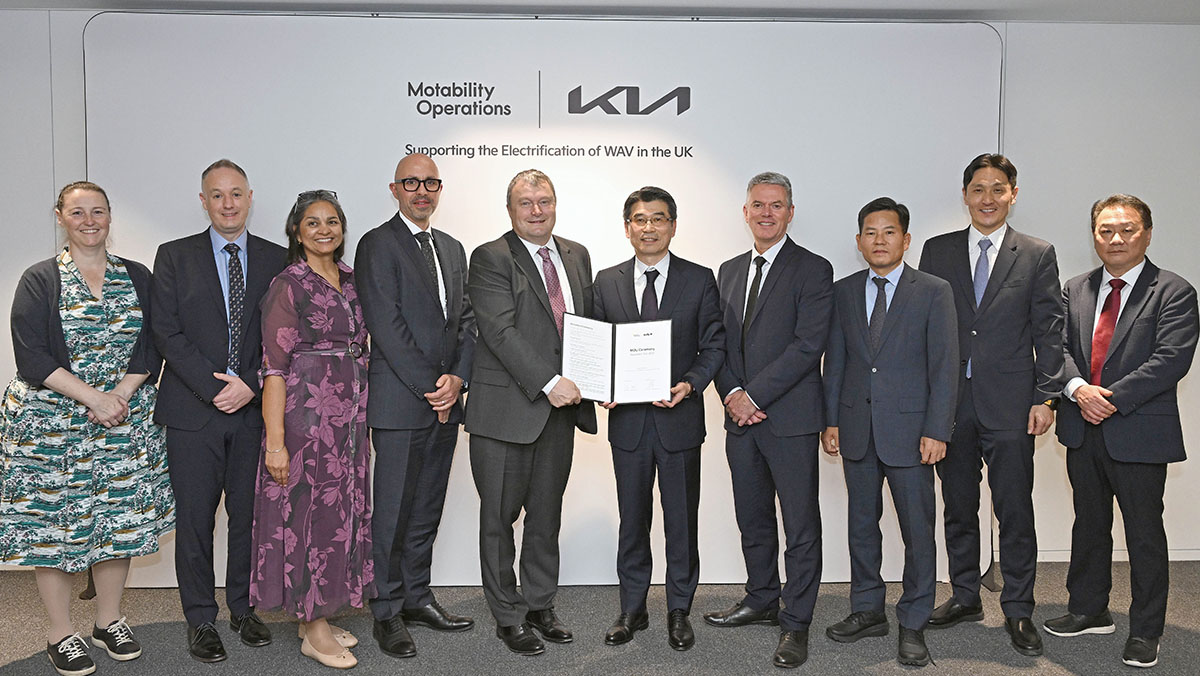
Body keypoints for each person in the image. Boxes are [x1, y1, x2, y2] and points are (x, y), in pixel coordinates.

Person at [1, 181, 175, 676]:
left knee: (120, 524)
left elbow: (153, 343)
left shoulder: (137, 276)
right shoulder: (40, 279)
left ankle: (108, 621)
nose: (89, 221)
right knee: (52, 529)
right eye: (78, 212)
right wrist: (94, 398)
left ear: (110, 216)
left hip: (124, 419)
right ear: (60, 216)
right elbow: (32, 356)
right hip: (52, 426)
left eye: (98, 211)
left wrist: (119, 394)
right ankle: (60, 632)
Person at [917, 154, 1064, 657]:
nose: (987, 198)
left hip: (1011, 405)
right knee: (958, 507)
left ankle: (1019, 609)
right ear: (964, 195)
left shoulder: (1037, 253)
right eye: (978, 189)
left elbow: (1049, 330)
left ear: (1012, 194)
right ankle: (965, 595)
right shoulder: (938, 251)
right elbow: (925, 329)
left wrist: (1046, 397)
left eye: (997, 188)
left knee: (1014, 510)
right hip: (951, 405)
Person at [1044, 194, 1197, 669]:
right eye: (1105, 230)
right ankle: (1089, 609)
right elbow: (1056, 348)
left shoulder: (1173, 291)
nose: (1115, 238)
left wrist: (1104, 399)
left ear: (1146, 234)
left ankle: (1147, 630)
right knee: (1089, 523)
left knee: (1144, 533)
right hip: (1082, 428)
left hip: (1138, 430)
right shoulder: (1075, 288)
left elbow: (1170, 360)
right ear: (1094, 236)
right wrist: (1077, 390)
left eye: (1127, 229)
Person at [151, 159, 287, 663]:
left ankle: (243, 609)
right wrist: (215, 389)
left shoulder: (278, 258)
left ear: (250, 198)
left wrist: (250, 384)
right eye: (217, 195)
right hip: (192, 412)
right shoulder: (174, 256)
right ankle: (200, 618)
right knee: (195, 520)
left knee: (249, 518)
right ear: (203, 201)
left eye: (236, 194)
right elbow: (166, 331)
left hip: (253, 411)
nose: (227, 204)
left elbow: (284, 335)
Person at [820, 197, 958, 667]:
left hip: (913, 433)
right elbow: (836, 361)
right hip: (857, 430)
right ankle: (867, 609)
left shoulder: (933, 291)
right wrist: (832, 420)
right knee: (862, 525)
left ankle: (914, 620)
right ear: (859, 241)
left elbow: (945, 366)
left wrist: (937, 429)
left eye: (889, 232)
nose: (879, 240)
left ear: (906, 239)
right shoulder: (843, 291)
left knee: (918, 530)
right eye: (871, 233)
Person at [465, 169, 596, 656]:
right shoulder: (491, 257)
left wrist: (601, 377)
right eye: (526, 202)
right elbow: (499, 332)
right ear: (510, 210)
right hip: (505, 413)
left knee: (546, 516)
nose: (537, 210)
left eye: (544, 201)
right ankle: (508, 614)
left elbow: (585, 327)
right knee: (498, 519)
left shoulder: (577, 255)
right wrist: (550, 383)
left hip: (560, 413)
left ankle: (540, 603)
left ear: (555, 204)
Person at [708, 171, 833, 669]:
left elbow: (808, 345)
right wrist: (731, 394)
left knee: (799, 524)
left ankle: (796, 620)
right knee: (752, 517)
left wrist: (753, 395)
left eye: (776, 205)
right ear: (745, 212)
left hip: (790, 419)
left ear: (790, 212)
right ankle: (761, 597)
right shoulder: (728, 270)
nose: (766, 213)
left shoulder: (813, 269)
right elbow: (717, 343)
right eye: (758, 205)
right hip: (740, 420)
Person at [354, 153, 476, 659]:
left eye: (430, 183)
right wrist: (434, 388)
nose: (421, 191)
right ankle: (386, 610)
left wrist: (459, 380)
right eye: (411, 183)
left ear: (439, 189)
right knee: (392, 513)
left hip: (445, 402)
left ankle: (417, 597)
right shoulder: (376, 244)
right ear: (394, 189)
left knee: (426, 509)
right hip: (402, 403)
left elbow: (466, 321)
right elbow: (387, 326)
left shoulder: (452, 247)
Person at [593, 186, 724, 652]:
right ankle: (632, 608)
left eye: (658, 219)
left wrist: (689, 383)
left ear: (673, 225)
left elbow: (714, 345)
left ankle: (679, 609)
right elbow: (596, 346)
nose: (649, 227)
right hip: (628, 425)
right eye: (640, 219)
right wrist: (601, 386)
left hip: (679, 421)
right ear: (627, 227)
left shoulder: (699, 279)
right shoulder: (605, 281)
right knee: (632, 520)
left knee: (681, 522)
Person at [249, 190, 374, 669]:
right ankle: (313, 627)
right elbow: (274, 369)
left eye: (332, 222)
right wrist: (276, 444)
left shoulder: (351, 279)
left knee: (338, 516)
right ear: (297, 233)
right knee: (307, 518)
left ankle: (315, 614)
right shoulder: (289, 284)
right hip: (306, 421)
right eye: (313, 223)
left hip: (349, 423)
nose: (324, 230)